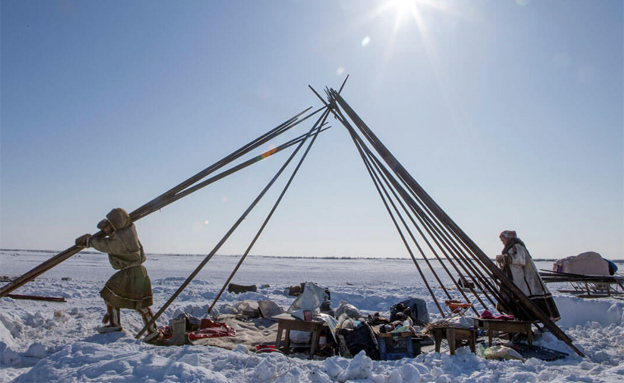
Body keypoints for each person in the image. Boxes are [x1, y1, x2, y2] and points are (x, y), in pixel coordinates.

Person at [75, 208, 161, 342]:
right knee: (116, 297)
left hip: (131, 273)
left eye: (110, 225)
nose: (107, 230)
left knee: (118, 296)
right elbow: (113, 236)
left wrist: (89, 241)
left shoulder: (122, 240)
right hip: (136, 271)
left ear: (117, 225)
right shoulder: (128, 231)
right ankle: (151, 330)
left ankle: (120, 326)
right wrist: (106, 228)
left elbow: (106, 246)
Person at [495, 230, 560, 321]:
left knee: (526, 298)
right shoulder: (510, 247)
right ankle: (520, 320)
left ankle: (532, 322)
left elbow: (521, 260)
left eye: (503, 239)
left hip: (524, 279)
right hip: (516, 278)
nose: (502, 241)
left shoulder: (517, 246)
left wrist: (505, 258)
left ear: (508, 238)